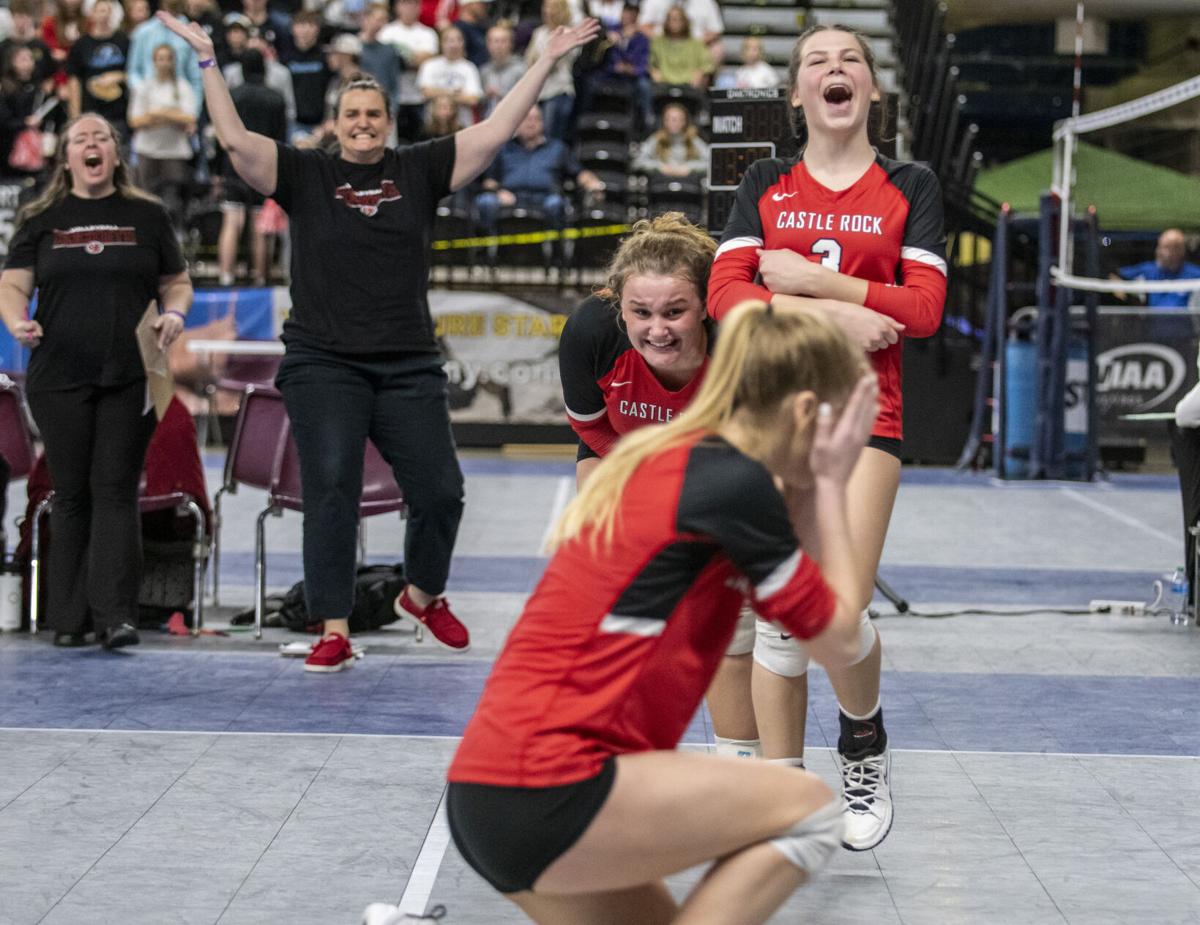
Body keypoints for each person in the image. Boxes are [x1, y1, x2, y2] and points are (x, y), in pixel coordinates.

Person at [157, 9, 601, 672]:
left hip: (408, 363)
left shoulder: (419, 170)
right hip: (322, 362)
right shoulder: (306, 175)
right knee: (331, 489)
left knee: (442, 490)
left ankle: (422, 593)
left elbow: (497, 128)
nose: (363, 123)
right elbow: (236, 141)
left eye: (373, 114)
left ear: (388, 122)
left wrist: (545, 59)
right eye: (352, 115)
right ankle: (332, 625)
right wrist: (206, 61)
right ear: (336, 123)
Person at [420, 302, 878, 924]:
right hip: (557, 784)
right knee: (810, 809)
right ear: (804, 412)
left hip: (488, 793)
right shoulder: (734, 486)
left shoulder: (675, 460)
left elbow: (811, 612)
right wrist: (829, 481)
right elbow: (841, 641)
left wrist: (806, 487)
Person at [708, 23, 947, 851]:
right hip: (770, 415)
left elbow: (922, 312)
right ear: (798, 92)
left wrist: (813, 280)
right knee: (777, 610)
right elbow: (726, 295)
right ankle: (782, 806)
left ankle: (863, 741)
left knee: (836, 613)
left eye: (851, 59)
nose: (835, 68)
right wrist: (838, 313)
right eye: (818, 60)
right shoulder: (766, 180)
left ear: (871, 89)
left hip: (866, 417)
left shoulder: (910, 182)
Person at [0, 113, 192, 649]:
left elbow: (176, 282)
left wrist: (174, 314)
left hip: (134, 371)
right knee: (71, 492)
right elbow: (12, 284)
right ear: (66, 157)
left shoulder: (147, 215)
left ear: (114, 152)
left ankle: (115, 617)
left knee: (114, 489)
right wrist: (18, 320)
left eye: (100, 137)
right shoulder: (42, 217)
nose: (91, 144)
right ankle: (67, 618)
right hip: (59, 374)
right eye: (80, 139)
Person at [474, 103, 601, 233]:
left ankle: (557, 249)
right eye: (527, 119)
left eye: (536, 119)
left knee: (555, 203)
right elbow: (489, 182)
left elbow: (579, 173)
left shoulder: (557, 148)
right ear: (517, 123)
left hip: (545, 199)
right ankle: (486, 250)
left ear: (543, 122)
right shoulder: (504, 149)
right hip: (511, 200)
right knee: (486, 202)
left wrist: (592, 183)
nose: (531, 123)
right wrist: (498, 192)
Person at [217, 47, 286, 285]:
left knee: (232, 220)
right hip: (265, 164)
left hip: (233, 163)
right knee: (260, 223)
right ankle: (260, 277)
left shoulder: (232, 96)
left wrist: (217, 170)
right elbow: (281, 138)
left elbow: (221, 135)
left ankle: (226, 275)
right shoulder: (276, 98)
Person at [128, 42, 196, 230]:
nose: (164, 63)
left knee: (172, 198)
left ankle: (174, 234)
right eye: (160, 58)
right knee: (145, 197)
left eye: (168, 58)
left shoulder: (182, 87)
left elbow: (189, 117)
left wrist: (158, 115)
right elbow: (136, 120)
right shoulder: (144, 87)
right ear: (153, 61)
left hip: (174, 152)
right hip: (147, 150)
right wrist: (170, 115)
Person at [65, 0, 130, 136]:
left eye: (108, 11)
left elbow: (134, 72)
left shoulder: (124, 40)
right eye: (101, 11)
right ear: (92, 15)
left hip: (119, 113)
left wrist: (119, 76)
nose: (105, 15)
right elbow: (74, 81)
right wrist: (75, 116)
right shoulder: (81, 45)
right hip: (90, 111)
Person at [378, 0, 438, 141]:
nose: (410, 8)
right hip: (393, 96)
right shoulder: (386, 32)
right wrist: (414, 58)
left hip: (419, 97)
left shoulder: (427, 33)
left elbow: (428, 60)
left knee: (420, 142)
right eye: (406, 3)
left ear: (419, 7)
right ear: (397, 7)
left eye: (414, 4)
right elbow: (384, 62)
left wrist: (401, 59)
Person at [525, 0, 576, 141]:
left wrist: (543, 60)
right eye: (545, 7)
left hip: (559, 90)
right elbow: (529, 60)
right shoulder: (539, 33)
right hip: (540, 92)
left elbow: (555, 63)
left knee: (551, 136)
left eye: (552, 7)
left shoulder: (568, 33)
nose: (547, 11)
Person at [1115, 228, 1200, 309]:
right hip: (1150, 322)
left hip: (1184, 323)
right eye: (1159, 247)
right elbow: (1114, 275)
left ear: (1180, 251)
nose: (1159, 252)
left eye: (1166, 248)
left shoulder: (1195, 274)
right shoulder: (1148, 270)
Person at [417, 25, 482, 126]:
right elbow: (426, 92)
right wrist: (454, 92)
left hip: (462, 125)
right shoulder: (429, 65)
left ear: (463, 43)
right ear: (441, 43)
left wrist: (438, 92)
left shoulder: (469, 68)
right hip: (433, 127)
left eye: (458, 40)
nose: (454, 44)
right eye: (449, 40)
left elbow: (473, 99)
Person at [632, 100, 706, 177]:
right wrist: (659, 167)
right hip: (661, 183)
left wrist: (690, 167)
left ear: (684, 121)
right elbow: (637, 162)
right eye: (668, 119)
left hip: (688, 184)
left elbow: (709, 162)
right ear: (664, 121)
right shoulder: (657, 138)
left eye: (676, 119)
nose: (672, 122)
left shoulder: (692, 139)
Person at [648, 5, 710, 90]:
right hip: (663, 86)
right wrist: (654, 72)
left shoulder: (696, 44)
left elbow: (706, 65)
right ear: (666, 21)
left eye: (678, 19)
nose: (674, 22)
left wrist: (699, 73)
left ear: (684, 21)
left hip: (689, 86)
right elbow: (650, 63)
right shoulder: (657, 42)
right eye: (671, 19)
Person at [479, 22, 524, 117]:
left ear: (511, 44)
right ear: (488, 44)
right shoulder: (484, 71)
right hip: (488, 121)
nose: (499, 46)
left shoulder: (521, 68)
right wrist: (485, 95)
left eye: (503, 41)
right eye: (495, 41)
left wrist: (500, 93)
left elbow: (525, 99)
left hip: (514, 121)